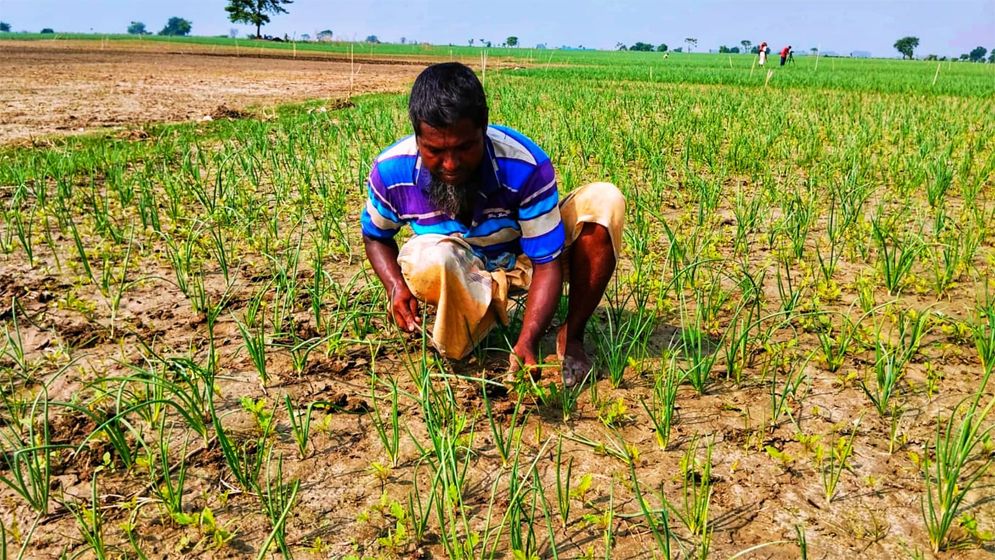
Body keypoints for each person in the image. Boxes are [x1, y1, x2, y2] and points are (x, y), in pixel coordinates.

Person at [360, 62, 625, 386]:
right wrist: (395, 287)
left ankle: (571, 336)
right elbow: (375, 236)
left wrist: (528, 339)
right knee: (427, 259)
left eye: (465, 147)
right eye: (435, 151)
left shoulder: (524, 164)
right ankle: (477, 322)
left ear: (483, 127)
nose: (451, 164)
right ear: (417, 137)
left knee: (604, 202)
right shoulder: (391, 171)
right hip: (462, 269)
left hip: (523, 257)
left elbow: (547, 262)